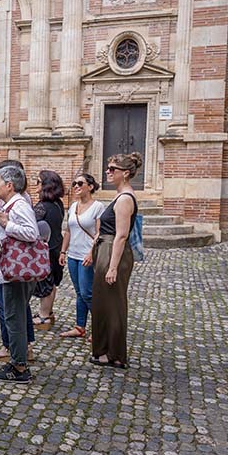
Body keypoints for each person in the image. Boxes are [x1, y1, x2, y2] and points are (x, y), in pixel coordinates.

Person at [90, 153, 141, 369]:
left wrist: (112, 267)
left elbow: (121, 235)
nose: (108, 172)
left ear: (126, 173)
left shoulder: (125, 199)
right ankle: (105, 351)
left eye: (113, 169)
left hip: (113, 251)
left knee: (113, 304)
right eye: (108, 168)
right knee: (103, 303)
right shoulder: (120, 196)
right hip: (106, 248)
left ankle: (115, 355)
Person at [0, 164, 39, 384]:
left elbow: (32, 233)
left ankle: (20, 367)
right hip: (10, 269)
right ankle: (17, 360)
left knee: (15, 318)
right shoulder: (9, 203)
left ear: (9, 185)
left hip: (16, 271)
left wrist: (6, 224)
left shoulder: (19, 205)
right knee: (14, 316)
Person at [59, 173, 105, 339]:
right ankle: (80, 326)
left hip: (87, 255)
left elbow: (100, 233)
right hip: (73, 254)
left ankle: (101, 326)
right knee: (79, 292)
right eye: (74, 184)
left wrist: (91, 253)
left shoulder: (98, 207)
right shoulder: (73, 206)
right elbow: (69, 231)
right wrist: (63, 251)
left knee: (87, 293)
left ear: (90, 187)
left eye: (80, 183)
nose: (76, 186)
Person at [33, 170, 66, 329]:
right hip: (56, 245)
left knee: (46, 282)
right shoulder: (58, 203)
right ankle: (49, 312)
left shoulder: (42, 206)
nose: (36, 186)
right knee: (52, 282)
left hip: (46, 248)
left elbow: (32, 227)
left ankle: (44, 316)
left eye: (38, 182)